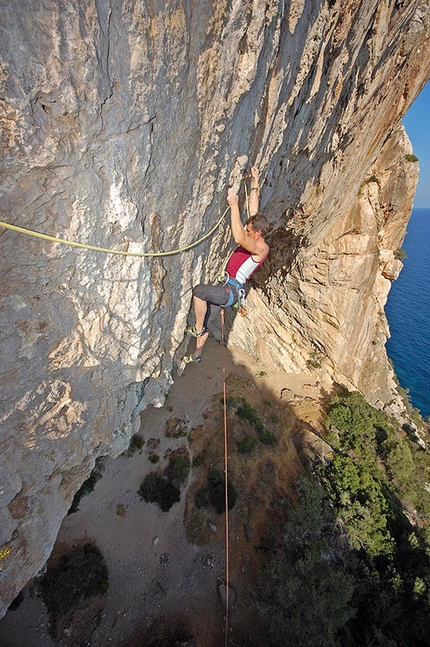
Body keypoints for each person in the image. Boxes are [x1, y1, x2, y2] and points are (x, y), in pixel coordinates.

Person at [184, 166, 270, 364]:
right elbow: (254, 208)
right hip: (226, 288)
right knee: (206, 319)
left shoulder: (261, 248)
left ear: (257, 233)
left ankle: (197, 330)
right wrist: (255, 181)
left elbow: (239, 237)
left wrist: (233, 205)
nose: (247, 231)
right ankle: (197, 355)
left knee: (200, 292)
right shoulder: (257, 232)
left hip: (230, 291)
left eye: (250, 230)